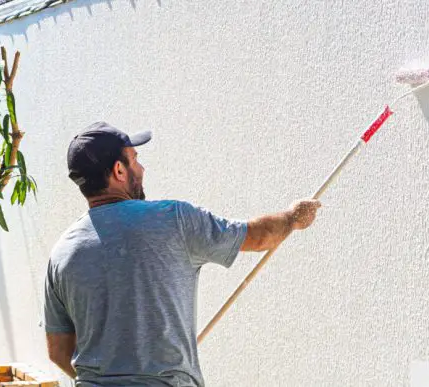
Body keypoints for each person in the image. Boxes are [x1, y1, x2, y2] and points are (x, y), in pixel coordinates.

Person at [43, 122, 321, 386]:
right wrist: (293, 217)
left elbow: (58, 351)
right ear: (119, 170)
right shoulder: (172, 219)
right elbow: (258, 237)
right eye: (135, 159)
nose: (141, 167)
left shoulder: (61, 255)